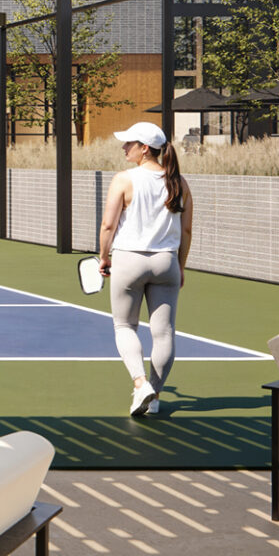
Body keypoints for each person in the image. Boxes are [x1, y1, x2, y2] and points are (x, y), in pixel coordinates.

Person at [96, 121, 193, 418]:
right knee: (164, 334)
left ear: (145, 148)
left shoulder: (124, 180)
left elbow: (108, 225)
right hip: (166, 262)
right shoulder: (179, 182)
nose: (124, 147)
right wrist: (181, 265)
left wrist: (103, 257)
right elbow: (186, 231)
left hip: (129, 260)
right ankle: (155, 395)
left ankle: (140, 384)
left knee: (125, 326)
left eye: (130, 143)